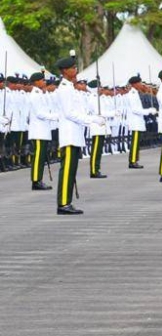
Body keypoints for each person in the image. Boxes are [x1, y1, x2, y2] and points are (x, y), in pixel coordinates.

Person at [53, 52, 105, 215]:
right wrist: (91, 120)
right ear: (64, 71)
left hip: (75, 134)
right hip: (69, 135)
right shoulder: (65, 89)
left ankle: (66, 202)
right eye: (72, 68)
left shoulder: (70, 88)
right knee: (67, 170)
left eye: (75, 67)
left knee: (71, 170)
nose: (75, 70)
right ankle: (63, 204)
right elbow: (70, 113)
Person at [26, 71, 57, 190]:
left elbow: (48, 107)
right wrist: (54, 116)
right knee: (38, 157)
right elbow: (39, 113)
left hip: (43, 130)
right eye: (42, 80)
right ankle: (35, 181)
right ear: (36, 82)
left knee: (42, 156)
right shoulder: (34, 95)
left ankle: (39, 179)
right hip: (38, 131)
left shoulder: (41, 94)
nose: (44, 82)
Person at [125, 74, 156, 169]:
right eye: (139, 83)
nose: (141, 85)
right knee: (135, 143)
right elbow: (135, 110)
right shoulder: (132, 94)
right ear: (134, 84)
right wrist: (148, 111)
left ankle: (135, 159)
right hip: (135, 122)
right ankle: (133, 161)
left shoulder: (135, 93)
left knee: (137, 142)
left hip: (138, 121)